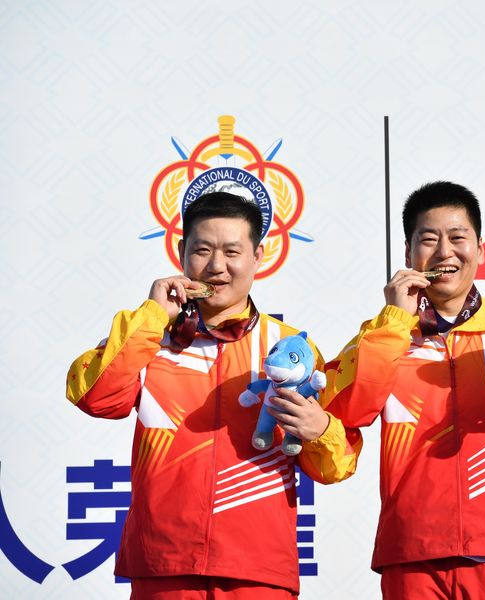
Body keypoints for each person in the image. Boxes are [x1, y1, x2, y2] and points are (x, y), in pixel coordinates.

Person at [65, 191, 360, 599]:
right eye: (202, 250)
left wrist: (319, 428)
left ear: (258, 257)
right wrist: (152, 316)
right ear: (182, 252)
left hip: (258, 571)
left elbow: (337, 466)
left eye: (232, 251)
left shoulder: (291, 349)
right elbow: (96, 397)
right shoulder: (149, 336)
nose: (217, 266)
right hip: (163, 565)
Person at [314, 181, 485, 599]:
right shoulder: (381, 335)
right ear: (408, 255)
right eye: (428, 239)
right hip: (412, 553)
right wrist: (394, 323)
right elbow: (347, 413)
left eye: (458, 238)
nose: (445, 252)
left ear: (480, 250)